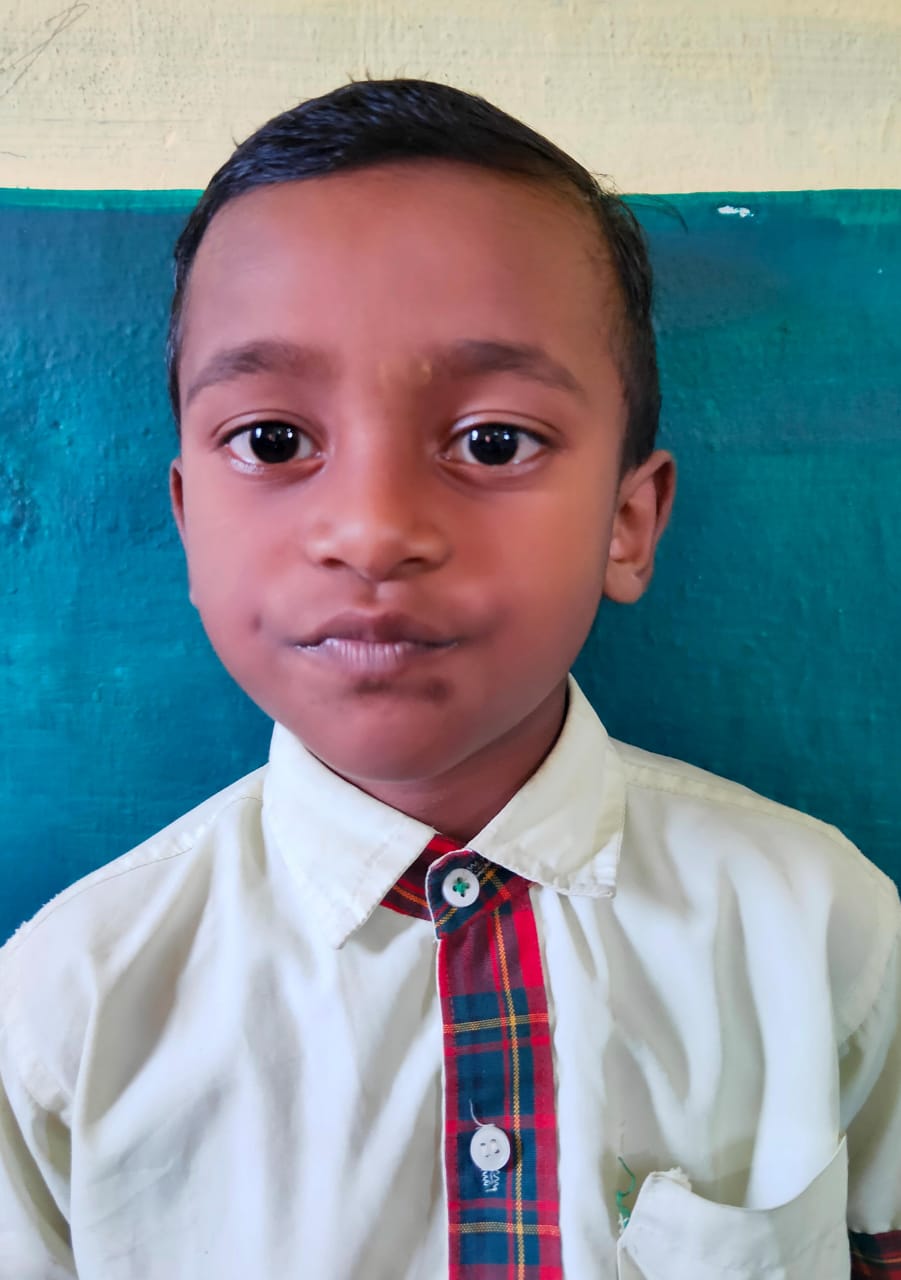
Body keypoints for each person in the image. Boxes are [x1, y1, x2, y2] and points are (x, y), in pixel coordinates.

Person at [1, 78, 898, 1280]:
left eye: (492, 441)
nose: (373, 531)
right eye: (273, 440)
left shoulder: (820, 929)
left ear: (628, 522)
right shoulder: (65, 1010)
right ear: (185, 522)